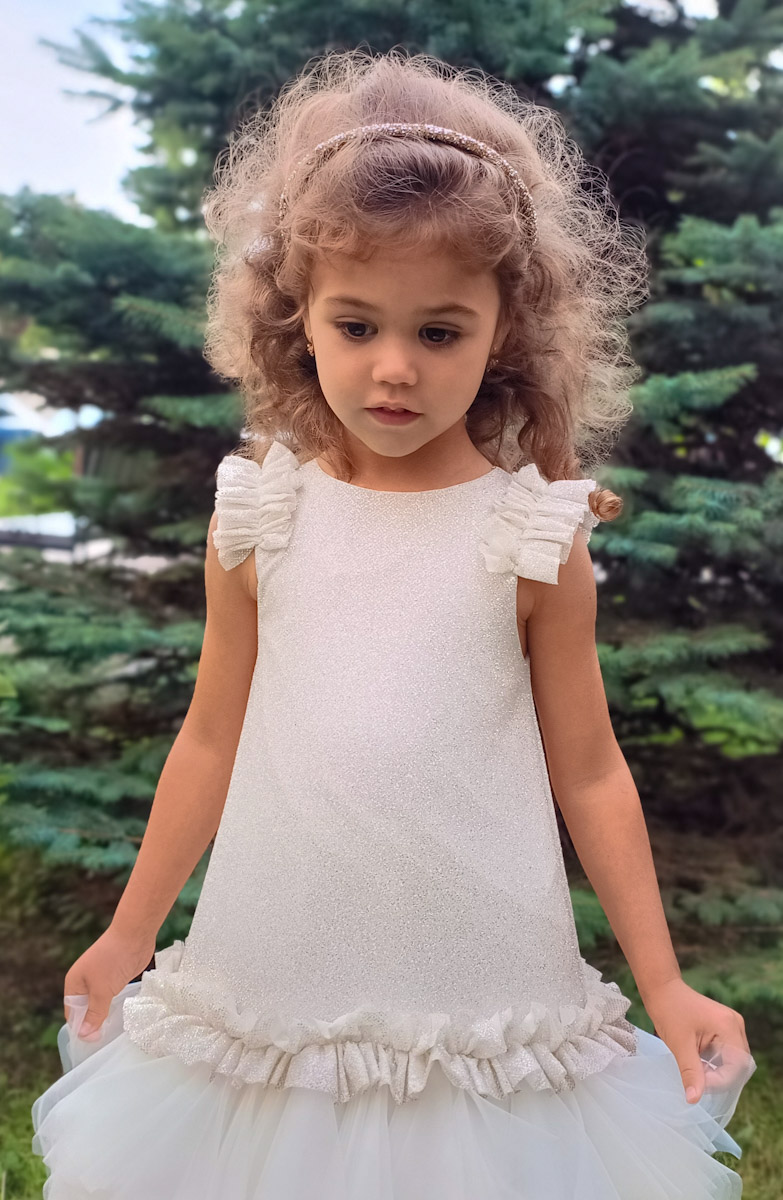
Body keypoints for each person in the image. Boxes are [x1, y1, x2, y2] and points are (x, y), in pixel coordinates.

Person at [32, 47, 755, 1199]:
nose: (395, 369)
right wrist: (129, 932)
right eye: (358, 325)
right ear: (299, 320)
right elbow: (210, 738)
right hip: (272, 982)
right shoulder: (260, 515)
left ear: (505, 328)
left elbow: (590, 770)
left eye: (440, 332)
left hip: (478, 999)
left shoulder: (530, 537)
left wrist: (663, 985)